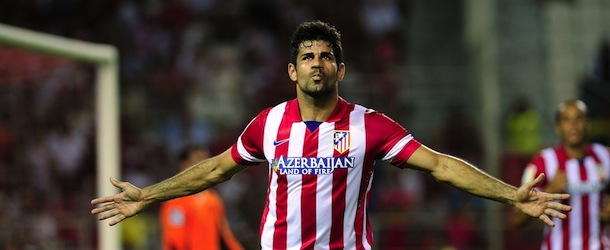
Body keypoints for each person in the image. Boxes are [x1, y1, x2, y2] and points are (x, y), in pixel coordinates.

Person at [92, 20, 572, 249]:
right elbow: (216, 169)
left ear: (340, 68)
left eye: (325, 56)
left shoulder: (371, 126)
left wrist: (513, 196)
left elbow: (442, 165)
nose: (316, 64)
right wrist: (148, 195)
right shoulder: (268, 125)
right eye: (307, 57)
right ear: (291, 71)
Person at [512, 100, 610, 250]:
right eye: (567, 119)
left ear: (588, 124)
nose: (574, 125)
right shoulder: (543, 161)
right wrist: (548, 191)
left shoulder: (604, 155)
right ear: (558, 127)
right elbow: (517, 220)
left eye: (579, 118)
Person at [158, 145, 243, 250]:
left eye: (206, 160)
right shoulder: (175, 200)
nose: (206, 166)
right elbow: (174, 238)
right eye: (199, 160)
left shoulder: (213, 199)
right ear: (184, 166)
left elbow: (225, 234)